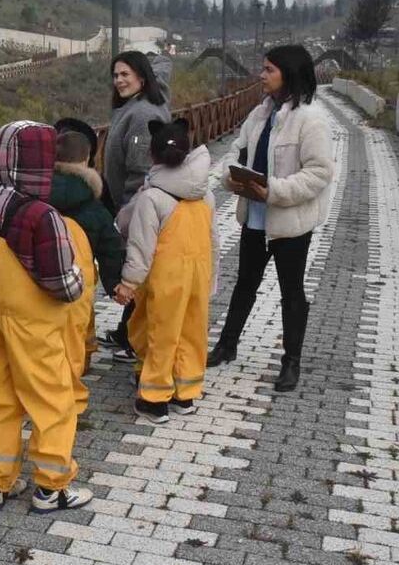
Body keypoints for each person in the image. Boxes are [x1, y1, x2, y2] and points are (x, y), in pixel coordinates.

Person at [0, 121, 94, 514]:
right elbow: (61, 283)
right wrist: (79, 279)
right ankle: (51, 487)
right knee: (52, 401)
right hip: (35, 327)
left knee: (2, 399)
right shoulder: (43, 216)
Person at [207, 44, 334, 393]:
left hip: (289, 224)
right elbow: (236, 151)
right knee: (244, 284)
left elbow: (319, 173)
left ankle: (291, 361)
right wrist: (231, 176)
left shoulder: (311, 120)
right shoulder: (259, 114)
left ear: (288, 74)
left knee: (292, 291)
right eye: (262, 68)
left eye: (268, 70)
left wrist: (274, 191)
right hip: (254, 216)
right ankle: (227, 345)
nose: (261, 75)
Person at [111, 119, 215, 424]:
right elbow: (214, 240)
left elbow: (140, 247)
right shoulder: (205, 194)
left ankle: (154, 399)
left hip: (164, 278)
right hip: (198, 274)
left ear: (152, 156)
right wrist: (212, 278)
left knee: (159, 333)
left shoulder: (152, 197)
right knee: (191, 332)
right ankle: (185, 393)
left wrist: (128, 283)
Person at [101, 51, 171, 362]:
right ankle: (127, 331)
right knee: (139, 269)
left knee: (138, 270)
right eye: (115, 75)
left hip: (137, 206)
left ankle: (136, 340)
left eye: (125, 74)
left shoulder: (143, 115)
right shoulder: (133, 106)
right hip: (132, 204)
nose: (118, 80)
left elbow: (141, 170)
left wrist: (127, 213)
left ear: (142, 77)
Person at [49, 129, 124, 410]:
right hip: (79, 281)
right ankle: (78, 374)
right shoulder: (94, 206)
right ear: (87, 159)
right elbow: (110, 247)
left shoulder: (37, 195)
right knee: (78, 328)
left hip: (42, 279)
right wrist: (115, 284)